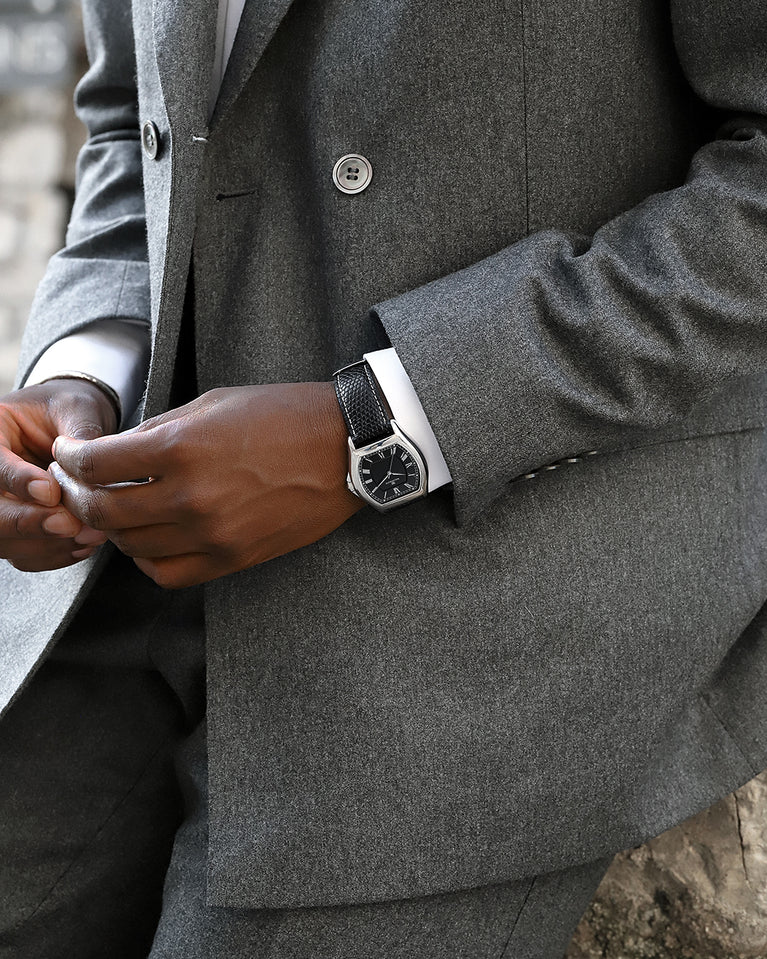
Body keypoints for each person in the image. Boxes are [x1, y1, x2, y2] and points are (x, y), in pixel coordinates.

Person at [0, 0, 766, 956]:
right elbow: (134, 119)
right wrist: (81, 377)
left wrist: (375, 425)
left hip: (498, 590)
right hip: (125, 559)